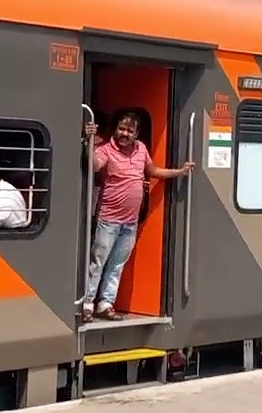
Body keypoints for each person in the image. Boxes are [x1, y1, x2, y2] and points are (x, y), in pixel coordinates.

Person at [81, 112, 194, 322]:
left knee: (116, 265)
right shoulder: (105, 149)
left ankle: (105, 304)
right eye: (121, 129)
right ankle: (87, 304)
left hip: (130, 222)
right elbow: (94, 166)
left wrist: (180, 172)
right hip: (108, 219)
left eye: (130, 131)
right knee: (98, 262)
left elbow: (152, 171)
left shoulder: (141, 149)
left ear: (136, 134)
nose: (125, 134)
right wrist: (88, 141)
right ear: (115, 129)